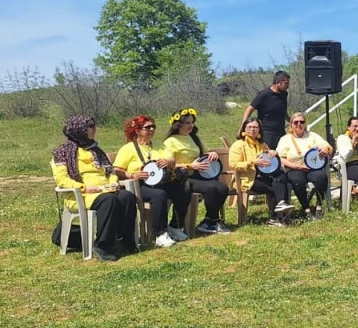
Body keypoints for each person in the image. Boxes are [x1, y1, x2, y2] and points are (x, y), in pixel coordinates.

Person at [51, 115, 139, 261]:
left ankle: (125, 239)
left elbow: (110, 171)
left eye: (93, 126)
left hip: (105, 189)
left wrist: (113, 182)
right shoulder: (62, 153)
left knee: (127, 197)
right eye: (90, 127)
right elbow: (62, 180)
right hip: (81, 195)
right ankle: (102, 245)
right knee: (109, 200)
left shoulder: (96, 149)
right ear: (79, 130)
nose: (94, 129)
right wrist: (84, 187)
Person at [113, 115, 188, 246]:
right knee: (159, 195)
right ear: (138, 131)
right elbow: (117, 169)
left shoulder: (158, 146)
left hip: (161, 181)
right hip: (140, 184)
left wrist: (167, 161)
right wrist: (132, 175)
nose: (152, 129)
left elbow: (172, 160)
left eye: (153, 126)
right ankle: (160, 234)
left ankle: (175, 226)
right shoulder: (129, 148)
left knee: (183, 190)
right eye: (148, 127)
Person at [163, 108, 232, 235]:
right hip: (182, 177)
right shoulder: (170, 142)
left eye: (192, 122)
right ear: (178, 124)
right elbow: (169, 164)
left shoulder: (193, 138)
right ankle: (213, 221)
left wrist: (212, 154)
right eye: (187, 123)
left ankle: (208, 220)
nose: (191, 125)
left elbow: (205, 152)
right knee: (212, 188)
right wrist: (190, 166)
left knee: (222, 187)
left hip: (198, 175)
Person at [228, 119, 295, 226]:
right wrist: (253, 162)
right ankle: (277, 217)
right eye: (250, 127)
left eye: (255, 127)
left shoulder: (262, 144)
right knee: (276, 187)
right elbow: (233, 164)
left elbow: (269, 158)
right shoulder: (238, 145)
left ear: (259, 129)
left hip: (263, 176)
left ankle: (280, 212)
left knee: (282, 179)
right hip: (247, 179)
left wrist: (272, 153)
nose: (253, 129)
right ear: (244, 129)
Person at [276, 112, 333, 220]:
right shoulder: (285, 139)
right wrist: (296, 166)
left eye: (301, 122)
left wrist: (326, 149)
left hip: (312, 167)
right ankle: (306, 209)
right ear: (291, 124)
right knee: (298, 180)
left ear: (305, 124)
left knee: (321, 177)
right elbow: (280, 158)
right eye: (295, 122)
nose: (299, 124)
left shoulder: (312, 136)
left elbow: (328, 147)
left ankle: (319, 206)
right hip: (294, 168)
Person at [241, 70, 291, 150]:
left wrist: (291, 120)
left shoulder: (284, 94)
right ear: (278, 82)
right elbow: (249, 109)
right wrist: (243, 126)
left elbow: (282, 110)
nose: (288, 86)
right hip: (267, 133)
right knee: (268, 155)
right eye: (286, 83)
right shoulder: (264, 95)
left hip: (281, 131)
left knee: (283, 153)